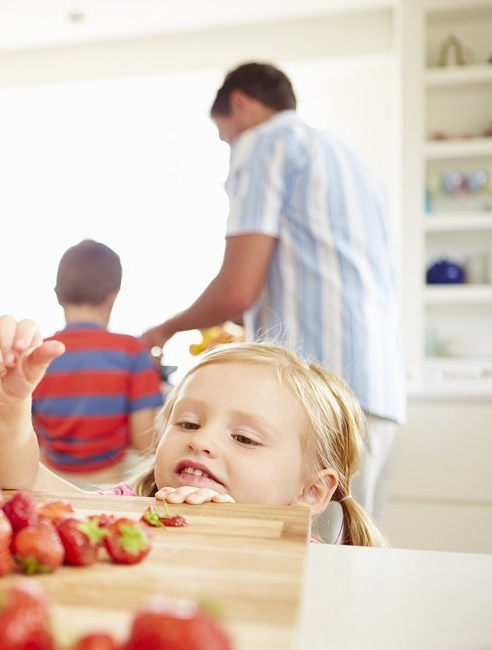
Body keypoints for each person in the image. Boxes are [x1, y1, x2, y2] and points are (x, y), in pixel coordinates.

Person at [141, 62, 405, 523]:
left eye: (225, 136)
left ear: (240, 104)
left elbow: (237, 289)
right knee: (345, 557)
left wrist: (164, 328)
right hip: (379, 389)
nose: (230, 147)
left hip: (312, 396)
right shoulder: (351, 161)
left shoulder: (265, 143)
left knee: (297, 563)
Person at [0, 327, 387, 547]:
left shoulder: (313, 564)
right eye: (187, 423)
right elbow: (25, 486)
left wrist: (229, 533)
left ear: (311, 492)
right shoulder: (129, 511)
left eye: (243, 438)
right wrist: (7, 411)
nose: (202, 441)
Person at [31, 239, 163, 487]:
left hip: (49, 483)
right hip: (110, 487)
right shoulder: (132, 352)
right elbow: (144, 441)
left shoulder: (40, 353)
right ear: (113, 296)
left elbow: (30, 432)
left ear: (58, 295)